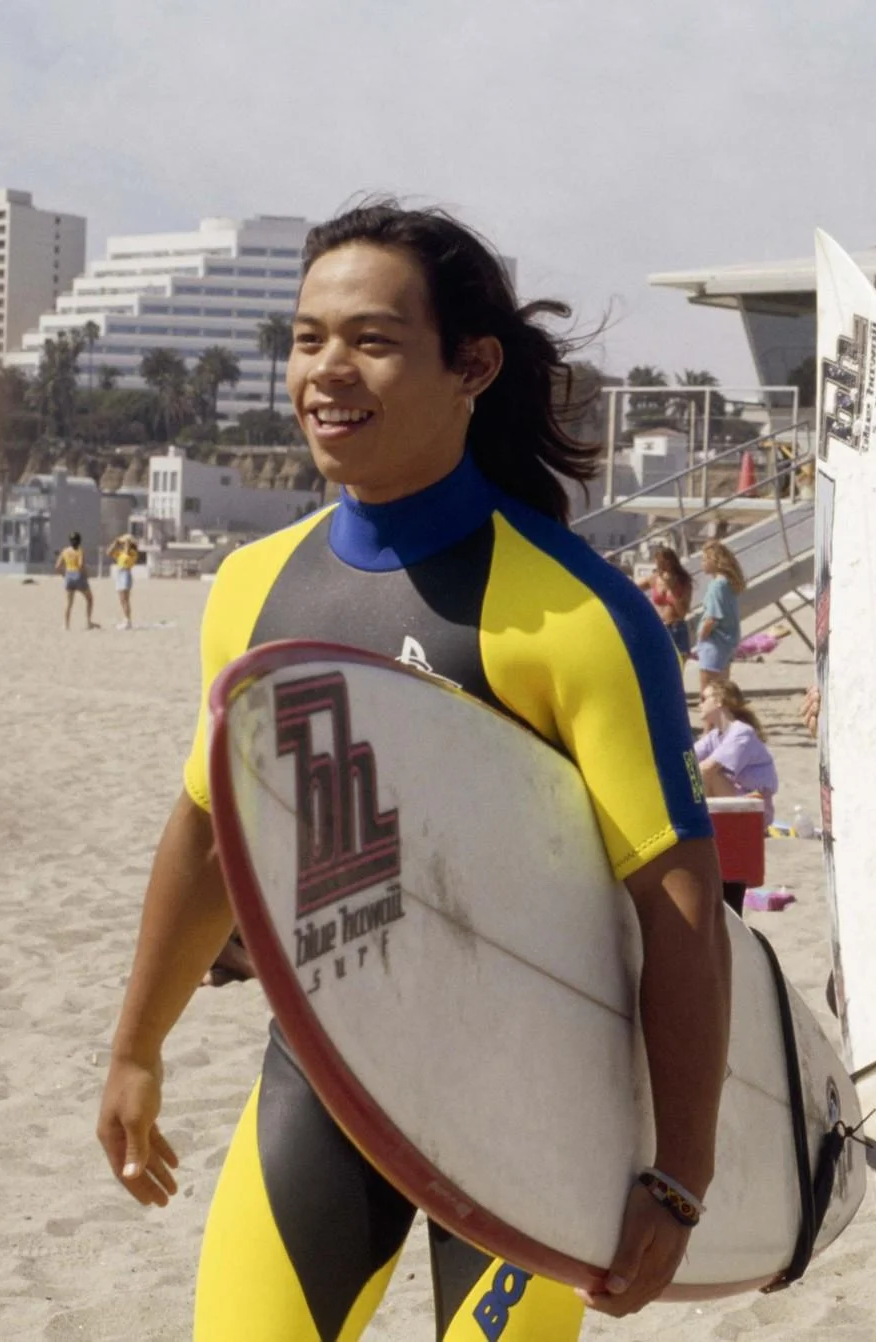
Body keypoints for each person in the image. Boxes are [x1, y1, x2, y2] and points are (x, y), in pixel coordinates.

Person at [94, 201, 729, 1341]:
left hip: (534, 1111)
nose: (327, 370)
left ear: (471, 367)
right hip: (324, 1077)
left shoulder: (576, 615)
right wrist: (137, 1048)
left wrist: (680, 1171)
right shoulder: (252, 587)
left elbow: (677, 900)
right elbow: (208, 830)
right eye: (307, 339)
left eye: (372, 340)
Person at [693, 677, 778, 819]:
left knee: (706, 773)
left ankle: (701, 824)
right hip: (738, 799)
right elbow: (689, 758)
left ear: (719, 701)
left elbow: (706, 769)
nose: (699, 705)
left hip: (755, 808)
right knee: (693, 770)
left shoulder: (741, 732)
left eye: (703, 699)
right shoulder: (715, 735)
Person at [694, 540, 744, 689]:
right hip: (726, 644)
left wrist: (701, 636)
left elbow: (712, 618)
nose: (702, 564)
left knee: (707, 691)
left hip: (714, 643)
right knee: (722, 690)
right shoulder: (727, 583)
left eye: (704, 560)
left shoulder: (717, 586)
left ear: (714, 561)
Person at [644, 544, 694, 662]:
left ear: (672, 562)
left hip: (676, 628)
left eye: (663, 562)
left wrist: (671, 589)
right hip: (659, 627)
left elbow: (682, 613)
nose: (660, 566)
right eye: (658, 562)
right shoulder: (654, 578)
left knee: (677, 667)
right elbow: (633, 587)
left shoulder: (683, 581)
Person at [55, 532, 96, 630]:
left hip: (69, 575)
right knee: (89, 599)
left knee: (69, 603)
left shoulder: (65, 551)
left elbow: (57, 566)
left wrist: (64, 575)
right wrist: (85, 575)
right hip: (78, 575)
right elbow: (81, 565)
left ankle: (66, 625)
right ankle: (88, 622)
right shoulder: (80, 551)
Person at [106, 534, 142, 629]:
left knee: (125, 599)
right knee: (122, 600)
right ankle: (126, 619)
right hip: (119, 574)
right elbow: (109, 552)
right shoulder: (121, 553)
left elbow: (127, 552)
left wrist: (126, 541)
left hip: (126, 573)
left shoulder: (133, 552)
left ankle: (128, 621)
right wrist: (115, 543)